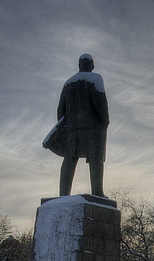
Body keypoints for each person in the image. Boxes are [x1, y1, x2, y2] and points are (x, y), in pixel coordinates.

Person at [52, 53, 109, 197]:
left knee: (69, 159)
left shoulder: (68, 83)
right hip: (93, 129)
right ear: (92, 66)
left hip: (72, 130)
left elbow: (60, 109)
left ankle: (63, 194)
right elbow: (101, 102)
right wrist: (105, 122)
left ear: (79, 65)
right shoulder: (95, 79)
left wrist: (68, 126)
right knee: (96, 158)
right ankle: (97, 192)